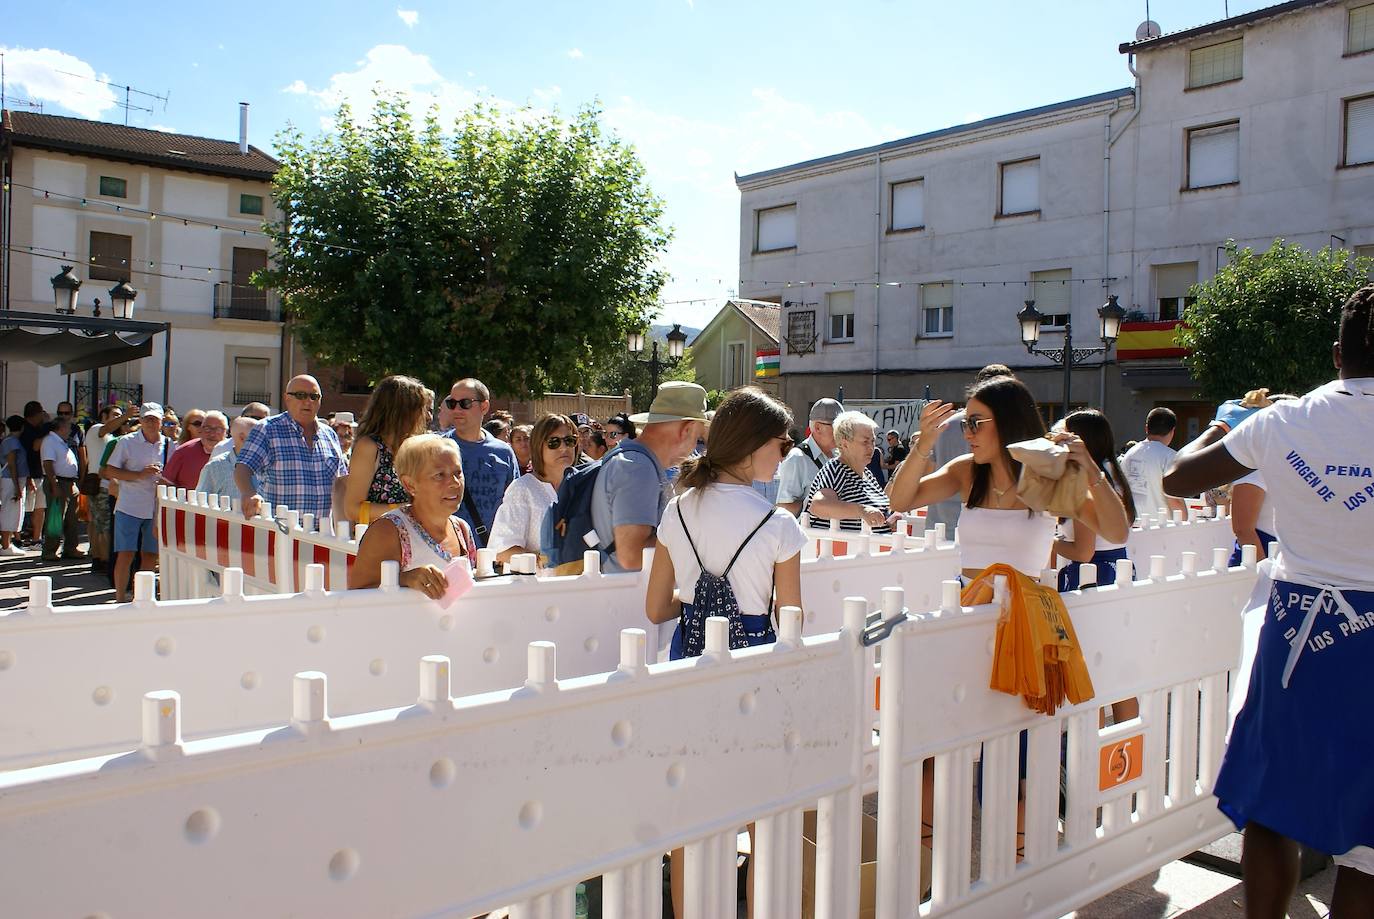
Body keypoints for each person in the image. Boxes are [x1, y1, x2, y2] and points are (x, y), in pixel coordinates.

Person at [1162, 285, 1374, 917]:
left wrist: (1229, 425)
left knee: (1272, 805)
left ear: (1337, 354)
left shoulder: (1283, 421)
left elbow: (1177, 476)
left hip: (1298, 633)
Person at [646, 387, 806, 918]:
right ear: (753, 445)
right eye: (782, 446)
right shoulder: (778, 524)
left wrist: (697, 605)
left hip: (687, 660)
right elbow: (792, 619)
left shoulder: (678, 510)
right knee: (760, 806)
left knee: (687, 806)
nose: (784, 457)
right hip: (753, 666)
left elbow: (654, 608)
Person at [888, 375, 1129, 581]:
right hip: (970, 611)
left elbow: (1117, 534)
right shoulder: (965, 471)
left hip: (1023, 618)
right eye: (965, 424)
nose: (968, 434)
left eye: (975, 423)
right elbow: (900, 502)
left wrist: (1091, 471)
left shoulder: (1048, 475)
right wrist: (923, 446)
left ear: (1008, 421)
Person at [590, 381, 708, 573]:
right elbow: (632, 556)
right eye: (697, 438)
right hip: (629, 598)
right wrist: (696, 541)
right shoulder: (638, 467)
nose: (694, 447)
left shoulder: (632, 459)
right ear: (686, 430)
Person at [348, 434, 478, 598]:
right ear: (410, 484)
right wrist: (405, 579)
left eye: (457, 473)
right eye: (439, 475)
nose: (455, 483)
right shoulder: (387, 531)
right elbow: (355, 597)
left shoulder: (462, 529)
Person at [235, 375, 348, 521]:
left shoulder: (330, 435)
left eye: (314, 396)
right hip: (280, 532)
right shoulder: (267, 429)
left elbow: (342, 482)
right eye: (300, 395)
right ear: (287, 398)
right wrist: (249, 493)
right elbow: (243, 467)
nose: (308, 401)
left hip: (322, 535)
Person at [1053, 409, 1136, 592]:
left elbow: (1083, 552)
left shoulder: (1085, 483)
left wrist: (1050, 541)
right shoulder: (1112, 475)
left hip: (1091, 577)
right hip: (1117, 570)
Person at [489, 413, 578, 567]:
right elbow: (502, 550)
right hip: (538, 586)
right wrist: (545, 560)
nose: (564, 447)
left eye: (570, 440)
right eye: (554, 442)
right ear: (538, 446)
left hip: (583, 584)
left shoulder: (584, 483)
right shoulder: (522, 489)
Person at [342, 376, 434, 525]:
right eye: (420, 408)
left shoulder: (415, 446)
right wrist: (403, 510)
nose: (426, 416)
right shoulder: (370, 447)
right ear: (401, 411)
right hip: (382, 537)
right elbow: (352, 509)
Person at [103, 403, 171, 602]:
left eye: (155, 419)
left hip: (155, 507)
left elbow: (173, 476)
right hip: (129, 505)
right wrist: (139, 474)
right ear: (140, 420)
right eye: (147, 418)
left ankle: (143, 597)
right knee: (126, 553)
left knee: (150, 554)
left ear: (161, 421)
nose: (151, 422)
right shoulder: (126, 442)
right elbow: (110, 471)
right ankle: (119, 597)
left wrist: (165, 480)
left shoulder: (169, 445)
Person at [442, 378, 518, 548]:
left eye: (465, 403)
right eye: (452, 403)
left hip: (492, 553)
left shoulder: (503, 452)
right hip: (448, 551)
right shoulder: (439, 448)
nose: (457, 409)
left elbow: (513, 504)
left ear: (484, 407)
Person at [802, 411, 896, 533]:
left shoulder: (867, 475)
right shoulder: (836, 469)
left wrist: (892, 517)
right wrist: (861, 510)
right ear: (844, 444)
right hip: (844, 550)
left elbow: (881, 508)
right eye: (865, 442)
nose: (871, 447)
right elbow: (818, 506)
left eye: (873, 441)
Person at [776, 398, 843, 515]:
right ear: (817, 427)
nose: (842, 433)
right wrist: (819, 505)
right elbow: (784, 508)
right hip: (810, 532)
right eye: (837, 428)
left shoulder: (839, 456)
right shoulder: (797, 458)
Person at [1121, 407, 1188, 523]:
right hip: (1161, 527)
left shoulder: (1129, 454)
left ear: (1146, 428)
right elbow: (1175, 500)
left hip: (1132, 524)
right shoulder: (1171, 457)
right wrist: (1185, 522)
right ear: (1172, 431)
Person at [39, 416, 83, 561]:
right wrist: (54, 484)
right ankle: (50, 550)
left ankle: (70, 548)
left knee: (71, 519)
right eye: (68, 427)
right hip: (59, 482)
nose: (70, 430)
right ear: (61, 428)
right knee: (56, 518)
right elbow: (48, 464)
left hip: (69, 483)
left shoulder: (61, 442)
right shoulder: (50, 441)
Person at [160, 411, 227, 491]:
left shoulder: (234, 452)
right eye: (207, 429)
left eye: (218, 429)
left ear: (226, 432)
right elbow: (164, 483)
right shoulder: (183, 451)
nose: (212, 434)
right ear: (201, 430)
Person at [197, 416, 261, 499]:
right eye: (258, 436)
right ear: (242, 438)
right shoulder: (215, 466)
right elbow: (200, 501)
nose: (264, 441)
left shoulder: (268, 463)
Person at [19, 401, 47, 546]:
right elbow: (29, 453)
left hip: (36, 473)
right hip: (30, 474)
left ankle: (36, 538)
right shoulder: (27, 431)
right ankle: (20, 538)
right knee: (27, 508)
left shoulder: (33, 429)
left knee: (39, 507)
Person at [0, 416, 29, 555]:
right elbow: (12, 465)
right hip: (11, 480)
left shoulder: (11, 441)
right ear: (22, 427)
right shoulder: (12, 442)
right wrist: (17, 487)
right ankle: (6, 545)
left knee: (12, 511)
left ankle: (8, 543)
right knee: (9, 511)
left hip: (12, 479)